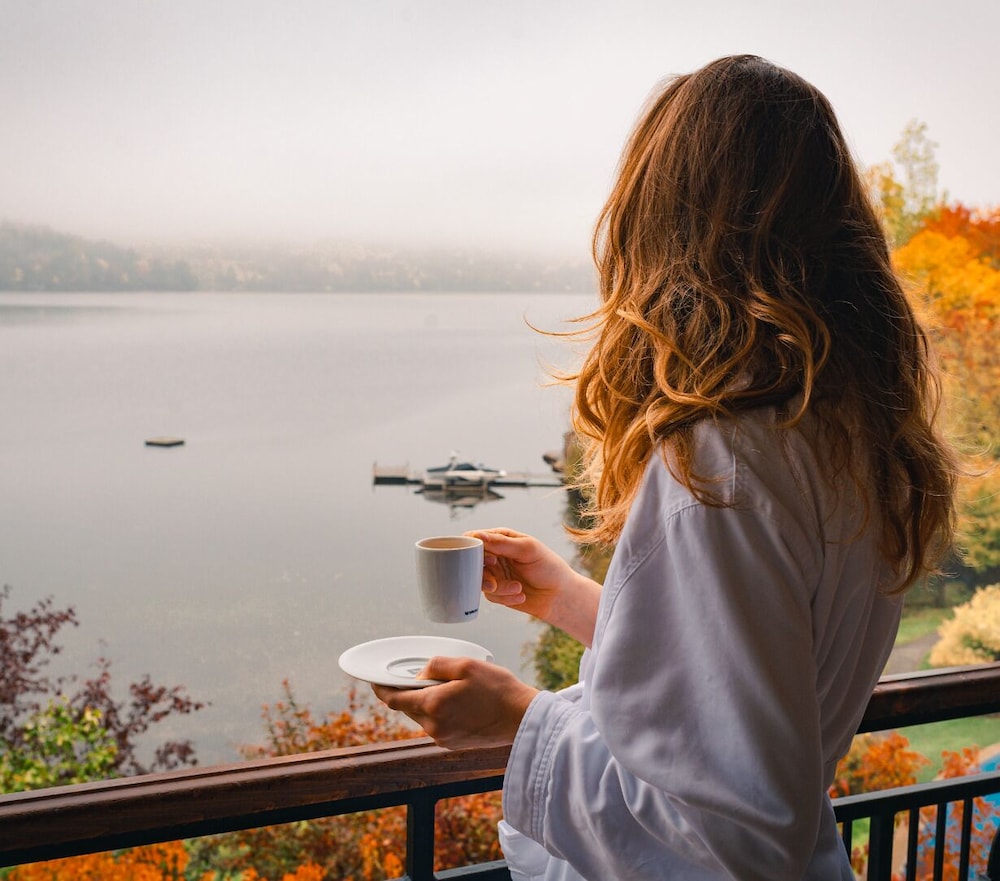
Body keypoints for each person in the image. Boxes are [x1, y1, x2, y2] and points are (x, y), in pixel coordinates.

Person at [372, 54, 959, 880]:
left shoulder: (721, 467)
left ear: (664, 226)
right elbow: (748, 687)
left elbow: (730, 839)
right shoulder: (847, 436)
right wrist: (575, 602)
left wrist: (519, 720)